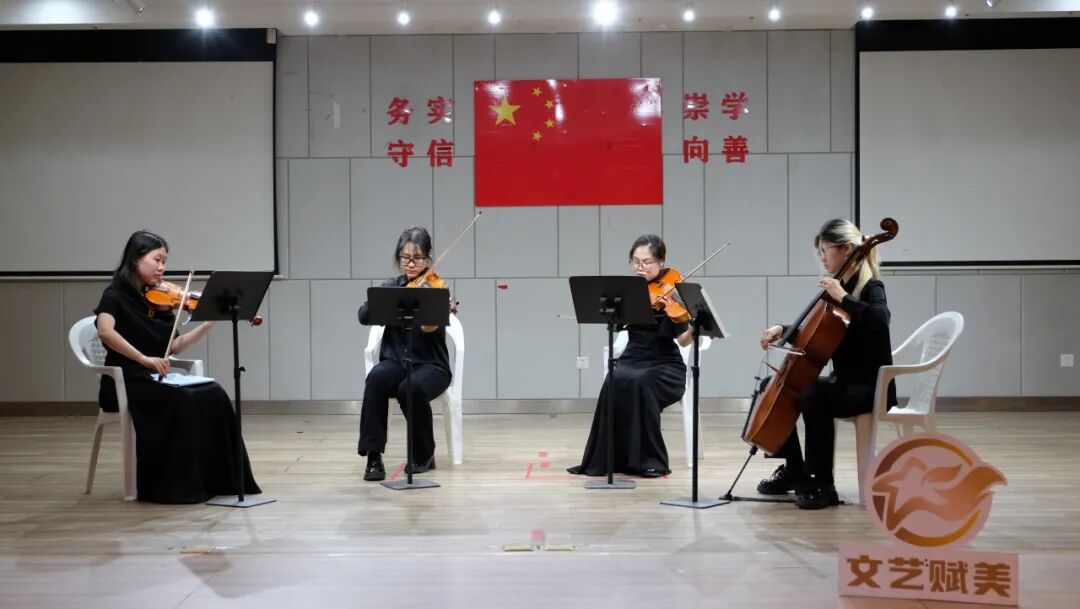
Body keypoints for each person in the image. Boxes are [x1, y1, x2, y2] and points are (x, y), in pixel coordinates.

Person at [93, 230, 261, 503]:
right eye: (156, 260)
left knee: (214, 394)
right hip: (126, 381)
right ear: (135, 260)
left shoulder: (160, 301)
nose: (162, 267)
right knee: (184, 399)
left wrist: (205, 326)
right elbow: (105, 331)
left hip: (156, 377)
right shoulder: (114, 296)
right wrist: (144, 359)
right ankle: (177, 486)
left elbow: (173, 347)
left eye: (164, 261)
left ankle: (219, 480)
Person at [755, 218, 897, 509]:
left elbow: (881, 322)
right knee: (775, 385)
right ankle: (795, 470)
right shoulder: (839, 286)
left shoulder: (871, 286)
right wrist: (783, 330)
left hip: (870, 387)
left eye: (825, 250)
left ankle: (822, 484)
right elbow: (818, 331)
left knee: (814, 395)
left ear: (845, 249)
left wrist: (843, 297)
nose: (822, 258)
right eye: (819, 252)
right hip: (843, 383)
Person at [568, 234, 694, 479]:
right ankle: (610, 459)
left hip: (665, 364)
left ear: (661, 261)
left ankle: (650, 461)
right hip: (632, 358)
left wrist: (694, 329)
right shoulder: (629, 291)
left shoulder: (674, 291)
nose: (640, 267)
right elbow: (618, 325)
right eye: (635, 262)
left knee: (641, 382)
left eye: (646, 262)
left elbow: (682, 340)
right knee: (613, 380)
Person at [356, 226, 454, 482]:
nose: (411, 264)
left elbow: (429, 328)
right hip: (396, 362)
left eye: (418, 258)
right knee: (376, 378)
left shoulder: (436, 288)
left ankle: (423, 454)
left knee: (411, 387)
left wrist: (435, 309)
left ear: (428, 258)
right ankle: (373, 456)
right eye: (405, 258)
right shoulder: (392, 287)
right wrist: (381, 302)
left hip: (432, 366)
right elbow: (363, 316)